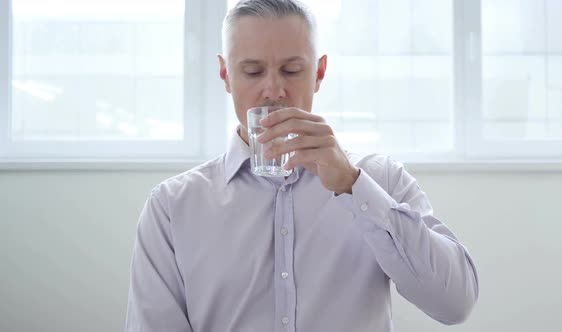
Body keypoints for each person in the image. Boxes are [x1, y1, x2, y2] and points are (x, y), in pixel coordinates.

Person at [125, 0, 479, 331]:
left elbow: (454, 304)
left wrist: (353, 187)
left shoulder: (380, 178)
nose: (273, 90)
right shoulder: (172, 206)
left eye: (291, 70)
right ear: (225, 75)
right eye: (252, 71)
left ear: (320, 73)